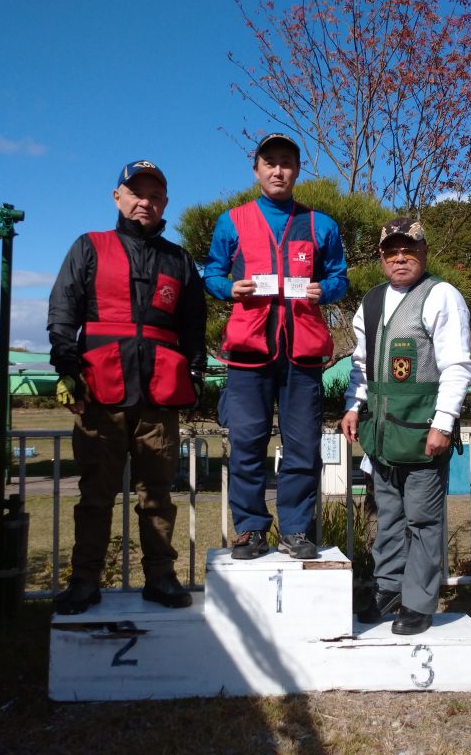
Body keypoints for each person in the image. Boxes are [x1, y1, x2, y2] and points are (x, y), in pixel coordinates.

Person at [48, 159, 207, 615]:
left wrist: (194, 371)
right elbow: (63, 312)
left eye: (155, 195)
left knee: (157, 494)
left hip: (160, 395)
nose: (146, 202)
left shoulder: (179, 260)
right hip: (100, 391)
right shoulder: (89, 247)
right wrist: (67, 369)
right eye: (136, 193)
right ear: (117, 196)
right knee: (96, 493)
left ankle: (161, 577)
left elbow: (193, 323)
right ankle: (84, 582)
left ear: (165, 204)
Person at [204, 133, 348, 560]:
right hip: (249, 353)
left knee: (302, 446)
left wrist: (329, 290)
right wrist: (229, 287)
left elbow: (340, 276)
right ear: (257, 171)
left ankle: (297, 530)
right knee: (247, 443)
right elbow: (210, 272)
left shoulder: (321, 224)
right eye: (270, 163)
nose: (278, 170)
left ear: (297, 170)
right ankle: (249, 529)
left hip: (301, 355)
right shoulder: (233, 220)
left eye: (286, 162)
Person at [340, 218, 471, 635]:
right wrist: (352, 405)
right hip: (381, 433)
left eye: (409, 249)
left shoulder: (441, 296)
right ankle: (388, 590)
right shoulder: (373, 300)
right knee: (390, 517)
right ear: (381, 257)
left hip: (421, 430)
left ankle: (417, 601)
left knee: (422, 519)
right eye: (392, 251)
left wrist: (444, 422)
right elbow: (361, 364)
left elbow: (457, 366)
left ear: (424, 252)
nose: (401, 257)